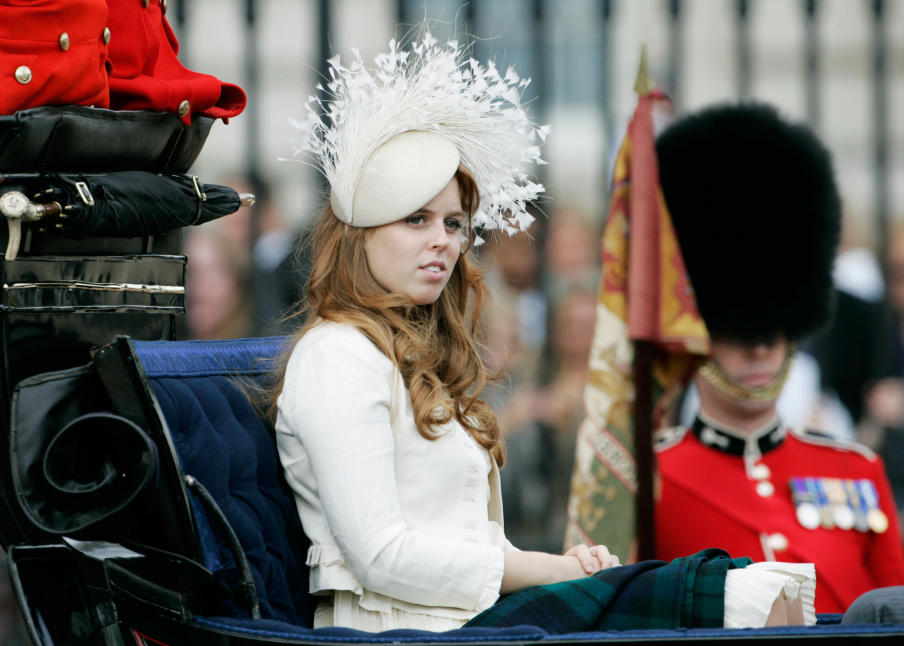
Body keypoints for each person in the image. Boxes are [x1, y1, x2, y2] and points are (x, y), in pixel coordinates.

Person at [262, 32, 812, 633]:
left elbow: (466, 541)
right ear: (359, 233)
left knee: (735, 587)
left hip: (472, 618)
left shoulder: (409, 357)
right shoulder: (338, 356)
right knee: (718, 598)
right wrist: (547, 571)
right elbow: (381, 556)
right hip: (400, 632)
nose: (443, 239)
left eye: (453, 222)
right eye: (416, 219)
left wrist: (565, 564)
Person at [652, 103, 904, 614]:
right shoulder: (648, 479)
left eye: (773, 326)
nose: (760, 345)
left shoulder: (857, 470)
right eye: (735, 326)